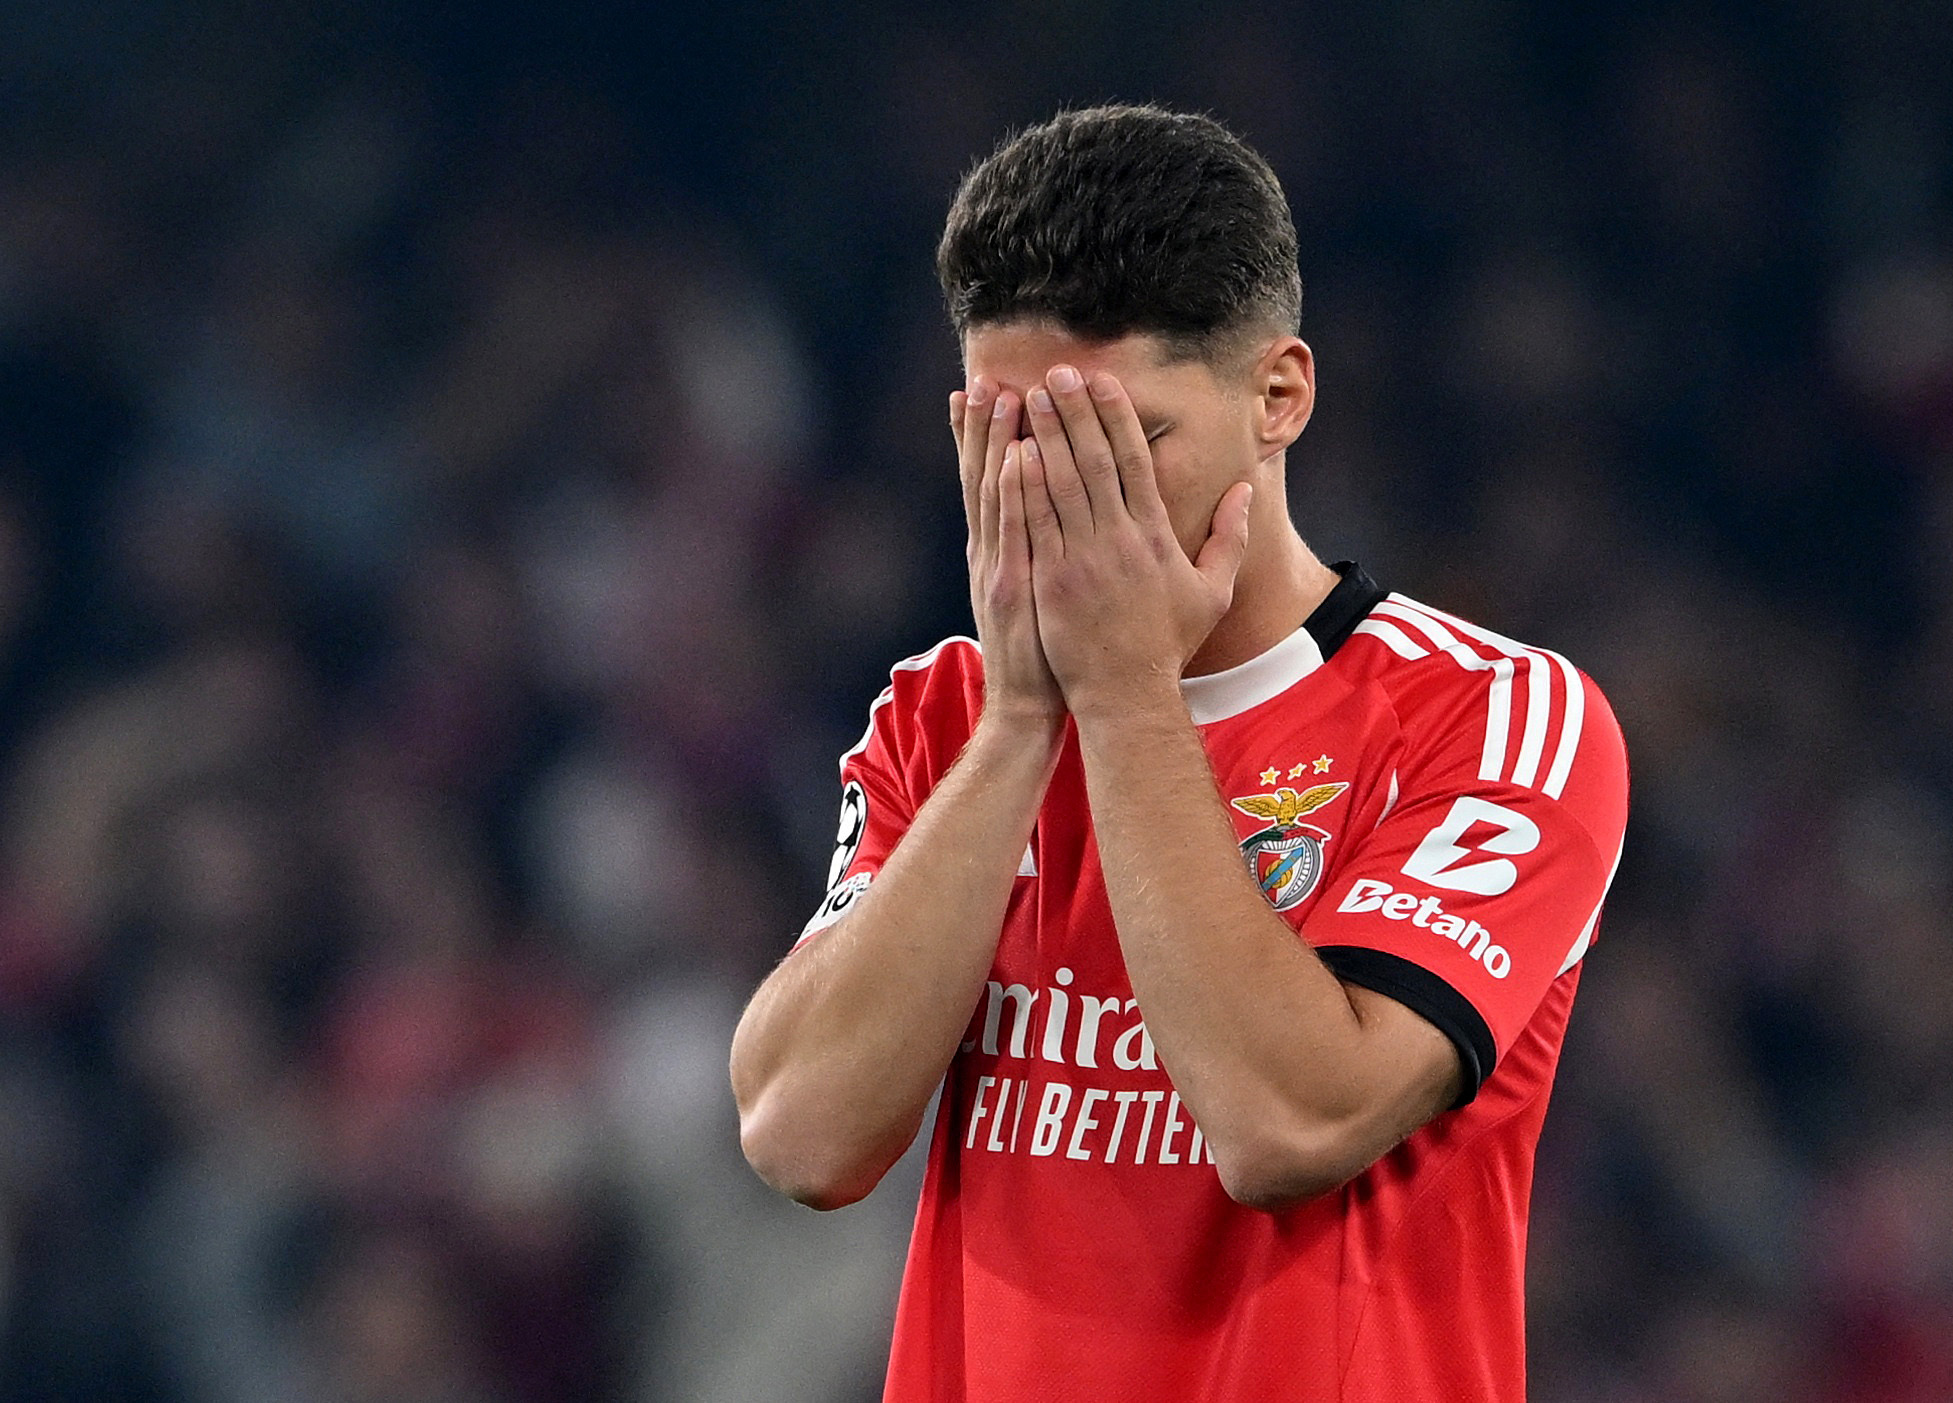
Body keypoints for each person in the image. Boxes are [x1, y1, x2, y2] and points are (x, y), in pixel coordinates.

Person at [729, 104, 1628, 1402]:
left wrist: (1126, 697)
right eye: (1014, 438)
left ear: (1278, 397)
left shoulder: (1490, 719)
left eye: (1124, 438)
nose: (1064, 491)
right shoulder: (948, 717)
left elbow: (1287, 1122)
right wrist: (1027, 720)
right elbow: (800, 1136)